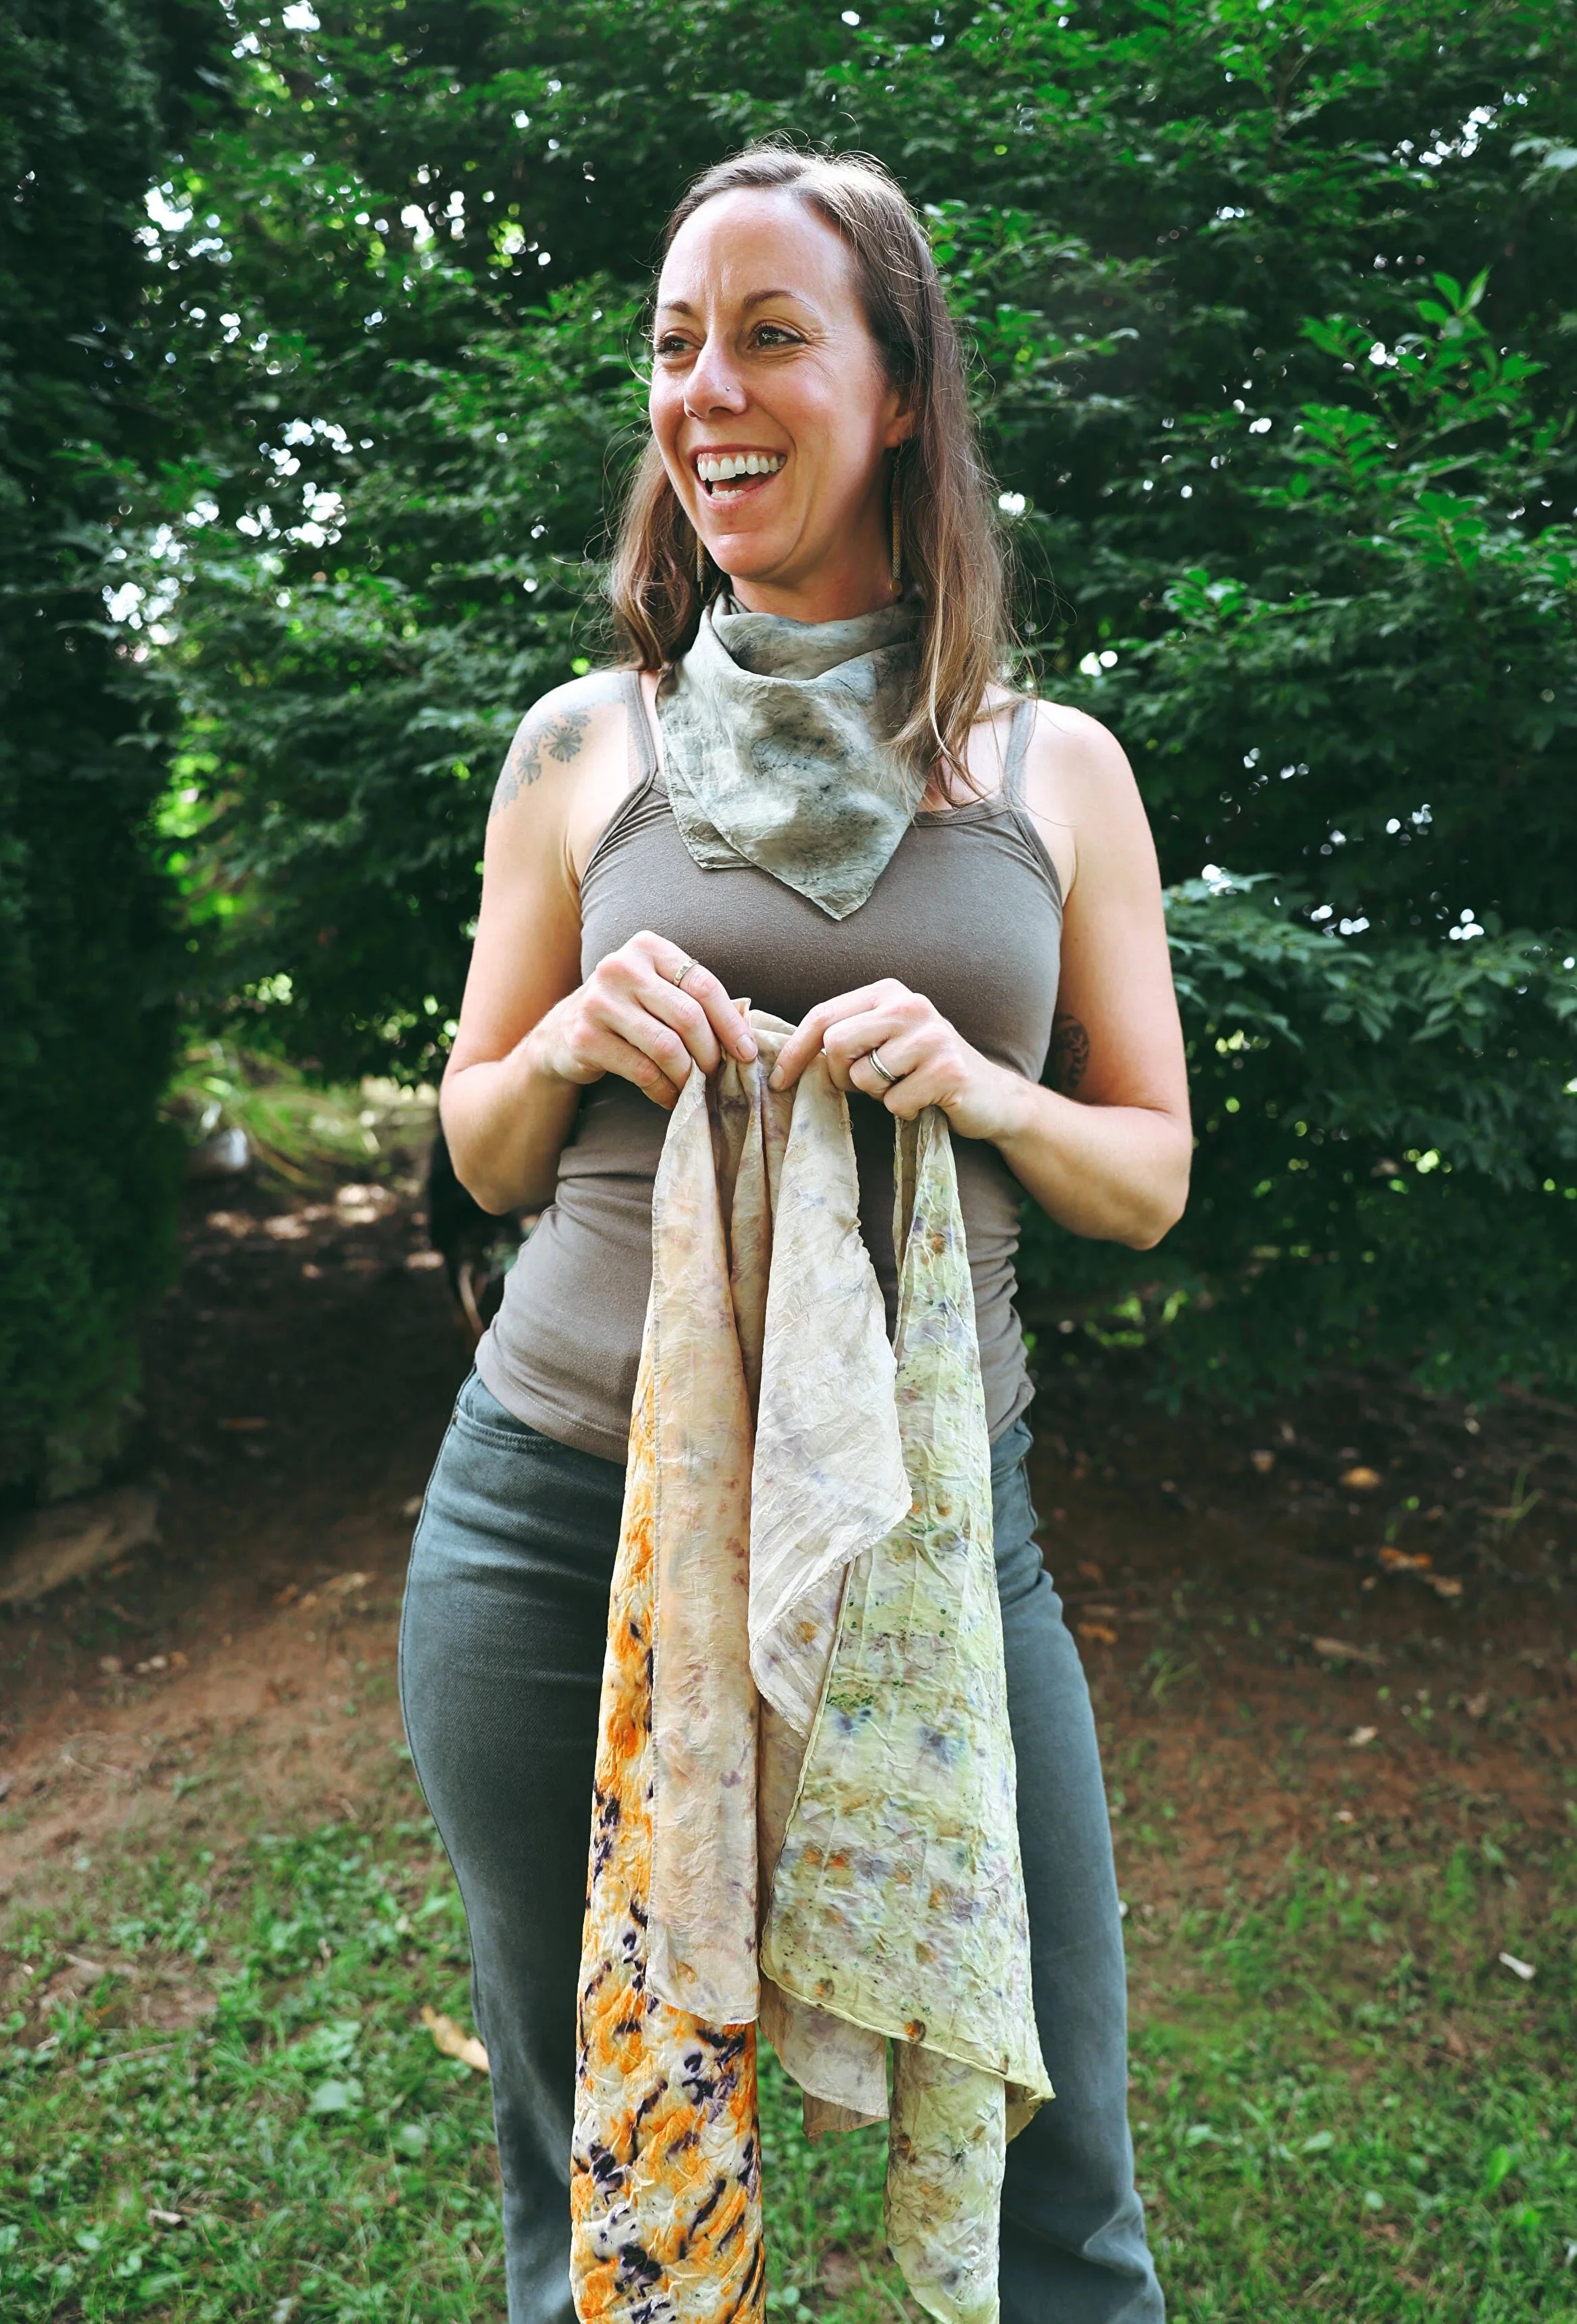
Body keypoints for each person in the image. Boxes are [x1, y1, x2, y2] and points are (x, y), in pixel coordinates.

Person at [399, 143, 1190, 2324]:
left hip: (935, 1539)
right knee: (607, 2177)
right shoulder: (585, 744)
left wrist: (986, 1088)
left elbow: (1146, 1172)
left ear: (900, 387)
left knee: (1059, 2184)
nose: (705, 390)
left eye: (767, 334)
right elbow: (474, 1146)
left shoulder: (1052, 769)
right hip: (561, 1532)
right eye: (674, 345)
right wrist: (564, 1031)